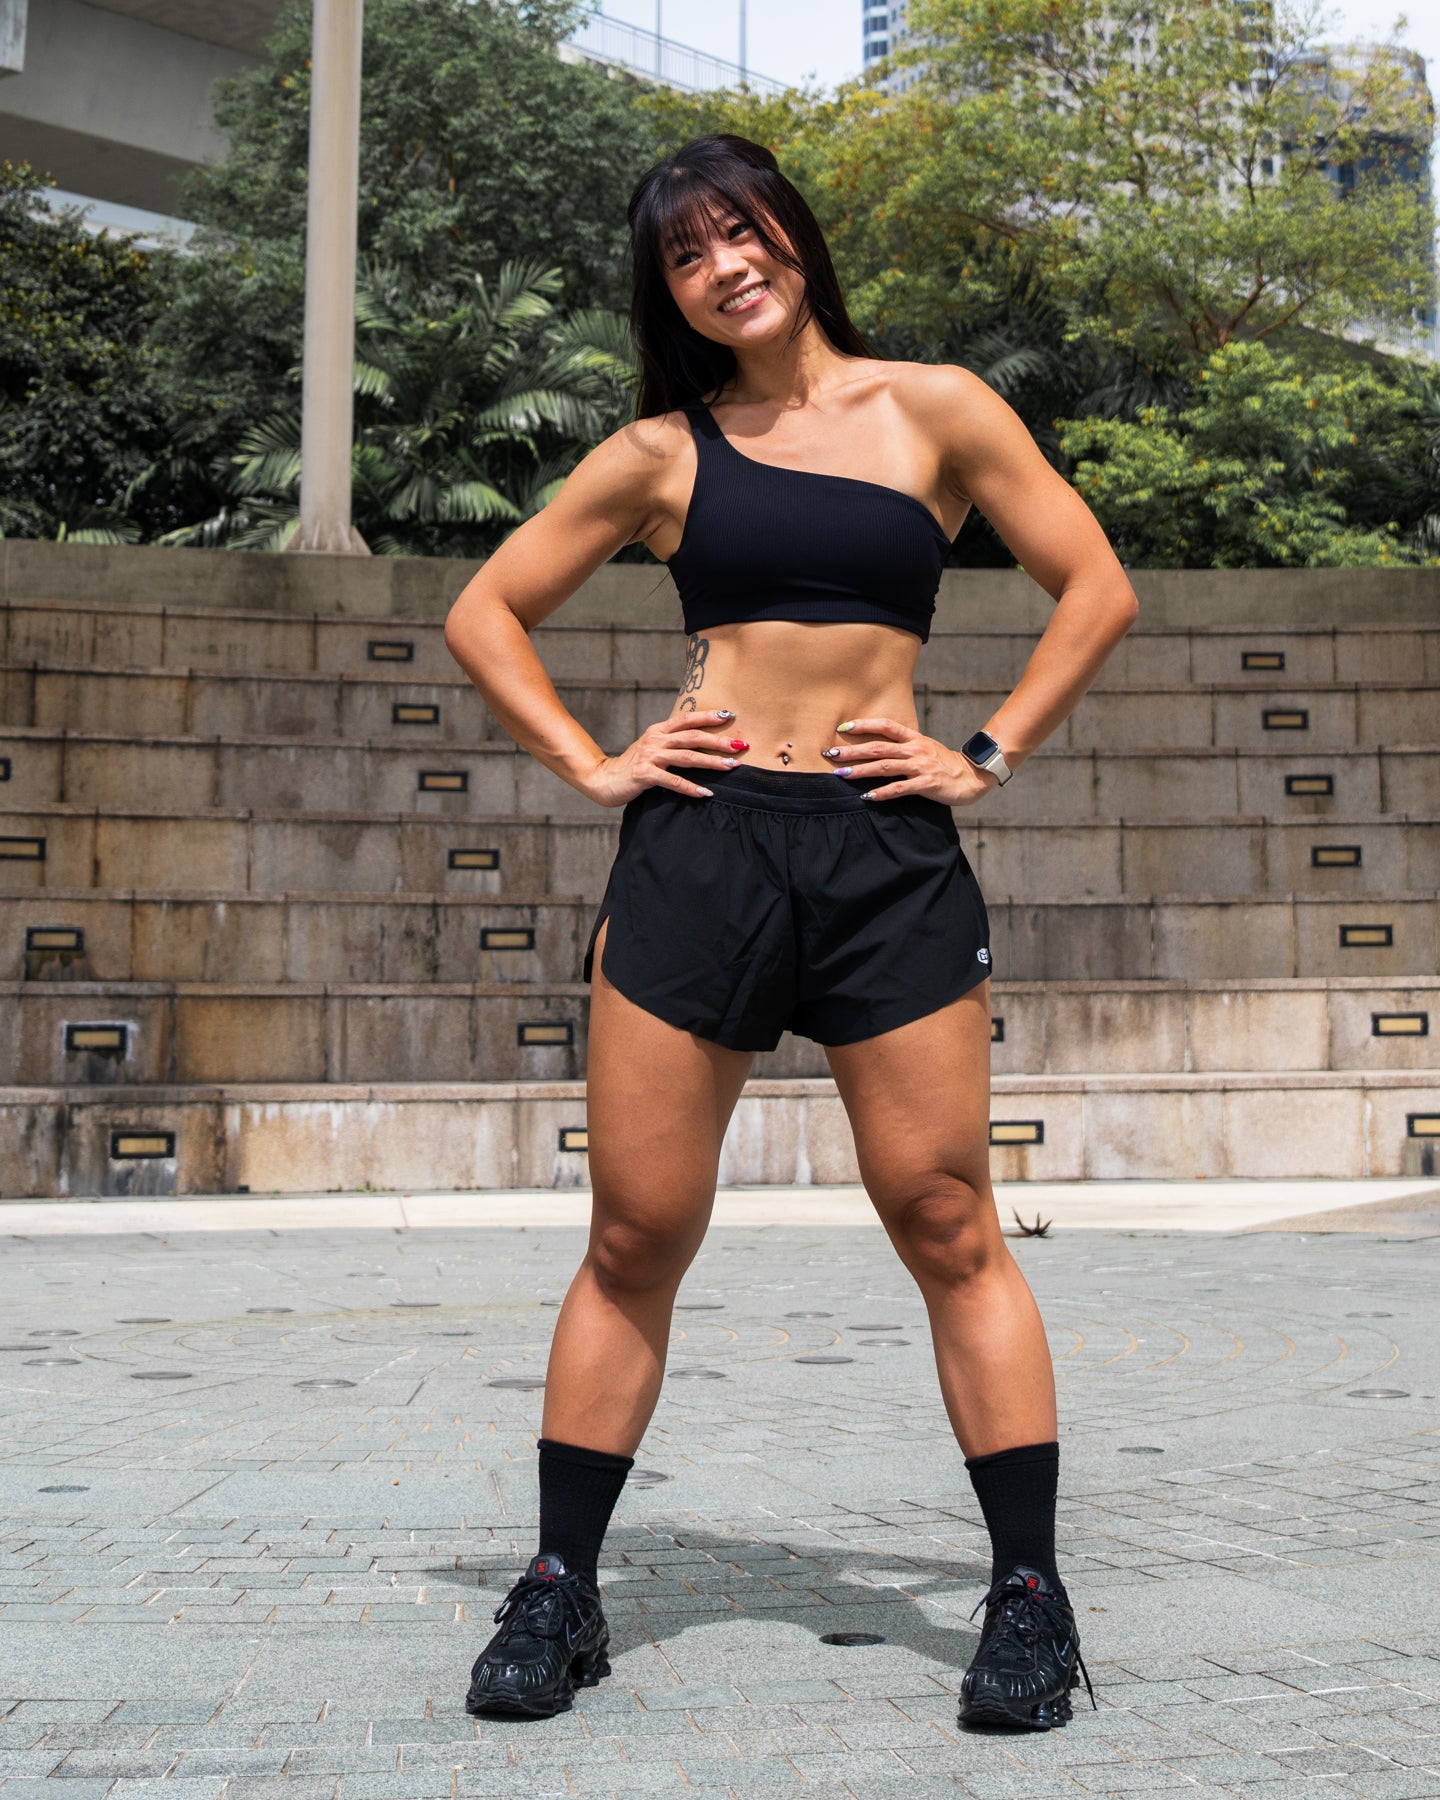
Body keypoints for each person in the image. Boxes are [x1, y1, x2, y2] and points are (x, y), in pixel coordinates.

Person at [444, 133, 1136, 1731]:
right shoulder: (659, 453)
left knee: (946, 1217)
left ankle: (1029, 1598)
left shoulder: (938, 408)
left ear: (794, 237)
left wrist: (985, 754)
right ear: (669, 293)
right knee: (636, 1232)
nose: (722, 267)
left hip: (886, 851)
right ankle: (559, 1587)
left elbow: (1095, 585)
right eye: (685, 255)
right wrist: (595, 762)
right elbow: (486, 610)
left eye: (739, 231)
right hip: (702, 847)